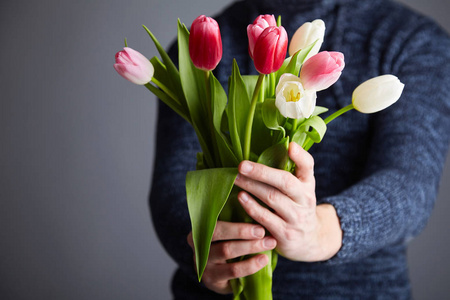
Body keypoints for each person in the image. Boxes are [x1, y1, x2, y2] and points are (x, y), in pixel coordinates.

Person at [150, 0, 450, 298]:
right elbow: (172, 186)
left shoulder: (411, 40)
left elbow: (411, 180)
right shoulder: (202, 42)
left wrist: (319, 232)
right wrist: (204, 254)